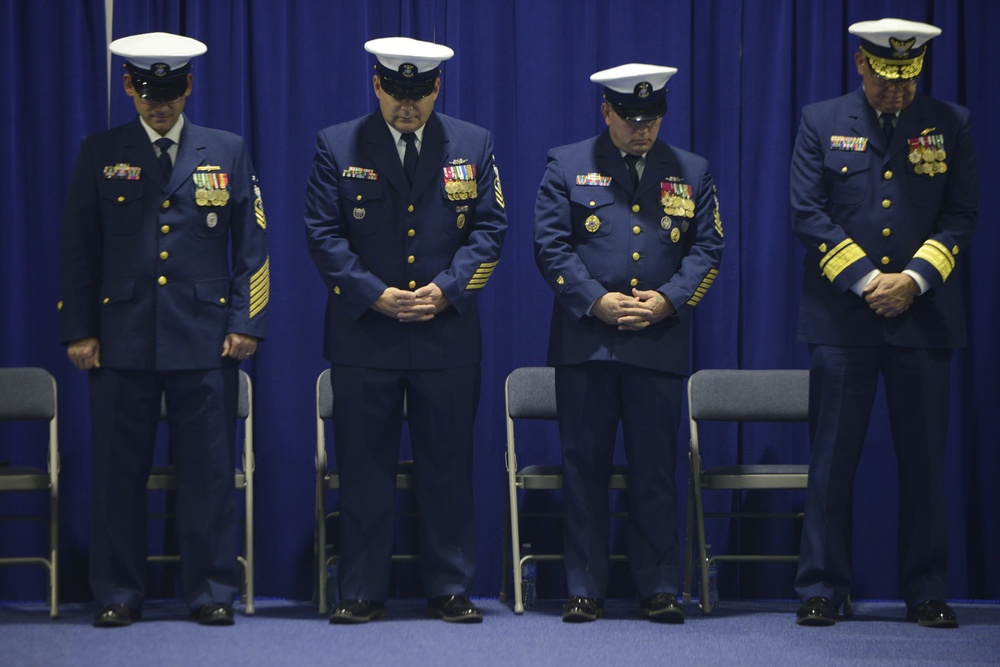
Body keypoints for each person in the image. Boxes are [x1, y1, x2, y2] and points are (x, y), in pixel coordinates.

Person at [59, 32, 269, 627]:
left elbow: (253, 245)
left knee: (208, 473)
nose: (161, 104)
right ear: (129, 87)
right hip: (119, 337)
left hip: (206, 338)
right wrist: (79, 327)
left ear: (189, 87)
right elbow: (77, 247)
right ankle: (120, 593)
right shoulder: (101, 150)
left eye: (172, 92)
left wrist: (246, 321)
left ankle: (211, 591)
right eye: (150, 92)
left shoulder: (225, 150)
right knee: (117, 473)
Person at [304, 36, 507, 624]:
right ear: (376, 84)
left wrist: (447, 289)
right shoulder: (337, 145)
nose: (407, 105)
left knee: (448, 466)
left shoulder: (473, 144)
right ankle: (362, 588)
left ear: (436, 88)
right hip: (366, 335)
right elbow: (323, 233)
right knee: (365, 467)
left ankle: (450, 587)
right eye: (396, 91)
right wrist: (375, 294)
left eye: (418, 93)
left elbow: (490, 230)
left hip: (446, 337)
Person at [791, 18, 978, 629]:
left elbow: (961, 214)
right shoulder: (821, 121)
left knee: (924, 462)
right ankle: (821, 587)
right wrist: (870, 281)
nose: (896, 93)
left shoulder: (951, 123)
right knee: (831, 461)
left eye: (907, 81)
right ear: (860, 65)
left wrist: (914, 280)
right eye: (885, 81)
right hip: (843, 317)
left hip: (923, 319)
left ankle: (925, 590)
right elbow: (808, 213)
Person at [534, 64, 725, 623]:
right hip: (587, 341)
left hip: (657, 341)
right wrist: (595, 299)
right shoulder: (566, 164)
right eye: (630, 118)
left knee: (655, 470)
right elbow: (550, 246)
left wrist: (669, 300)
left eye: (652, 119)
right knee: (583, 467)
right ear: (606, 112)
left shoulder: (691, 170)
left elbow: (707, 250)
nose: (642, 129)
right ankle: (584, 586)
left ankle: (659, 586)